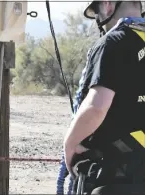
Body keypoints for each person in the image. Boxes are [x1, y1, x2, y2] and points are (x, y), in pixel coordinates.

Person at [62, 1, 145, 195]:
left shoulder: (114, 42)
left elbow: (96, 108)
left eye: (96, 14)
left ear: (107, 5)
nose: (98, 21)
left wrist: (70, 143)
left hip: (118, 173)